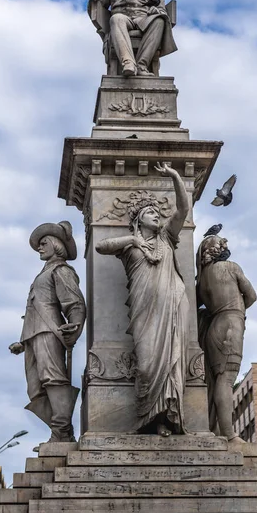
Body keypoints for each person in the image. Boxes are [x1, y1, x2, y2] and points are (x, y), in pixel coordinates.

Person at [96, 163, 190, 436]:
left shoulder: (167, 238)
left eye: (157, 212)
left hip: (172, 306)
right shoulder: (129, 244)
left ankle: (164, 420)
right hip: (143, 309)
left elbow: (183, 209)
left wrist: (174, 176)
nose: (156, 215)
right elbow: (102, 246)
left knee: (171, 362)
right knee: (147, 366)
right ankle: (145, 419)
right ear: (138, 219)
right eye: (150, 212)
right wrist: (134, 241)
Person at [9, 221, 86, 443]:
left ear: (56, 245)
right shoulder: (43, 273)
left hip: (50, 332)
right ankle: (61, 431)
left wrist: (76, 325)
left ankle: (61, 433)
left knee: (53, 380)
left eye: (43, 244)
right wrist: (22, 343)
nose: (40, 248)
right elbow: (35, 309)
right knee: (35, 390)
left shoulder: (61, 270)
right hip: (32, 337)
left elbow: (75, 303)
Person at [196, 233, 257, 442]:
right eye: (222, 243)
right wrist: (237, 310)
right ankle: (229, 435)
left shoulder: (201, 279)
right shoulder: (231, 267)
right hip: (231, 324)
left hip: (214, 326)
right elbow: (252, 295)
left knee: (218, 378)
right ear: (214, 249)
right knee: (226, 378)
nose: (225, 245)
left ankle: (221, 429)